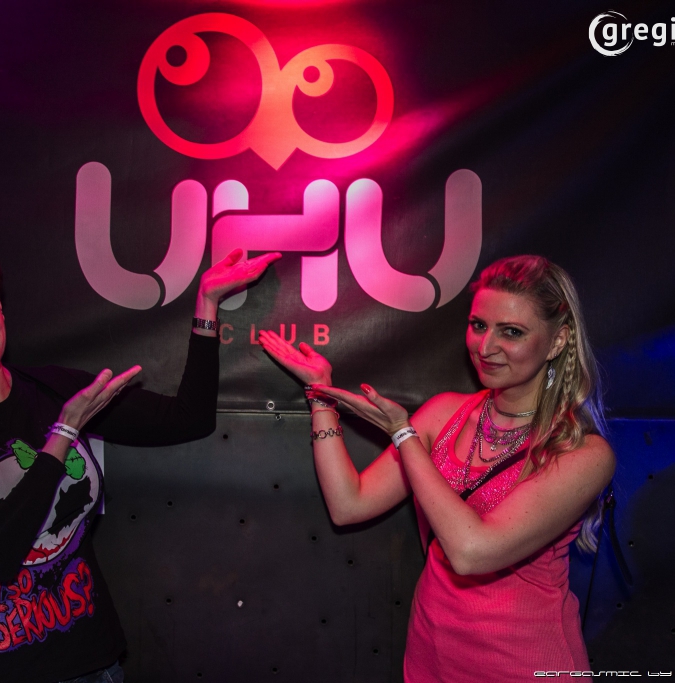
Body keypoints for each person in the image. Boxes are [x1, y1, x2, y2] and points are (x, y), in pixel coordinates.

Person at [0, 226, 278, 683]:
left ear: (0, 304)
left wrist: (207, 304)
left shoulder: (52, 390)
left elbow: (189, 419)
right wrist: (63, 433)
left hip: (93, 663)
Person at [259, 255, 615, 681]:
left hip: (524, 664)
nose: (485, 347)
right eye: (479, 325)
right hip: (433, 654)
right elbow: (348, 505)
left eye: (512, 332)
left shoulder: (581, 453)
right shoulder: (445, 413)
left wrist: (403, 434)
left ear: (557, 342)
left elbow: (471, 552)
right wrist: (321, 395)